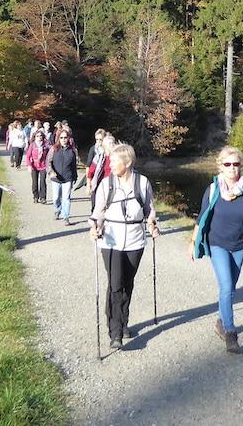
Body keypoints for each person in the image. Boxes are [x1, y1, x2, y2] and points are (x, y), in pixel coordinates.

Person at [189, 146, 243, 353]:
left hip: (238, 245)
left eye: (236, 164)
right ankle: (230, 332)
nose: (232, 168)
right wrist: (192, 241)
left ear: (241, 166)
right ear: (220, 166)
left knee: (231, 288)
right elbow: (202, 216)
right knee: (226, 286)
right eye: (228, 164)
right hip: (217, 243)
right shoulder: (213, 189)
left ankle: (221, 320)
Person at [89, 144, 159, 350]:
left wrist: (153, 224)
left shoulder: (142, 182)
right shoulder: (106, 184)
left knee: (128, 283)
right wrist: (94, 227)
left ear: (127, 162)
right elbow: (98, 212)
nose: (110, 164)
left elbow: (149, 210)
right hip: (111, 241)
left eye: (114, 161)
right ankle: (115, 331)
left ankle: (123, 321)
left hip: (136, 241)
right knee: (116, 284)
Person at [48, 129, 78, 224]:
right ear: (58, 138)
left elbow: (74, 166)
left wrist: (74, 177)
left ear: (68, 138)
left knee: (66, 198)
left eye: (65, 137)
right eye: (61, 137)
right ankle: (57, 209)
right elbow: (48, 162)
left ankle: (66, 217)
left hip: (67, 178)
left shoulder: (72, 151)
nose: (63, 139)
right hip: (56, 178)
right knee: (56, 198)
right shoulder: (54, 149)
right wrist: (51, 172)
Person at [25, 129, 50, 203]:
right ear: (35, 137)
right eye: (37, 136)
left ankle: (43, 198)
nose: (39, 137)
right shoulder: (32, 145)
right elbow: (28, 156)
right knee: (34, 182)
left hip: (43, 166)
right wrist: (29, 165)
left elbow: (52, 151)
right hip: (34, 166)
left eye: (40, 136)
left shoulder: (45, 144)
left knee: (43, 182)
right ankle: (35, 196)